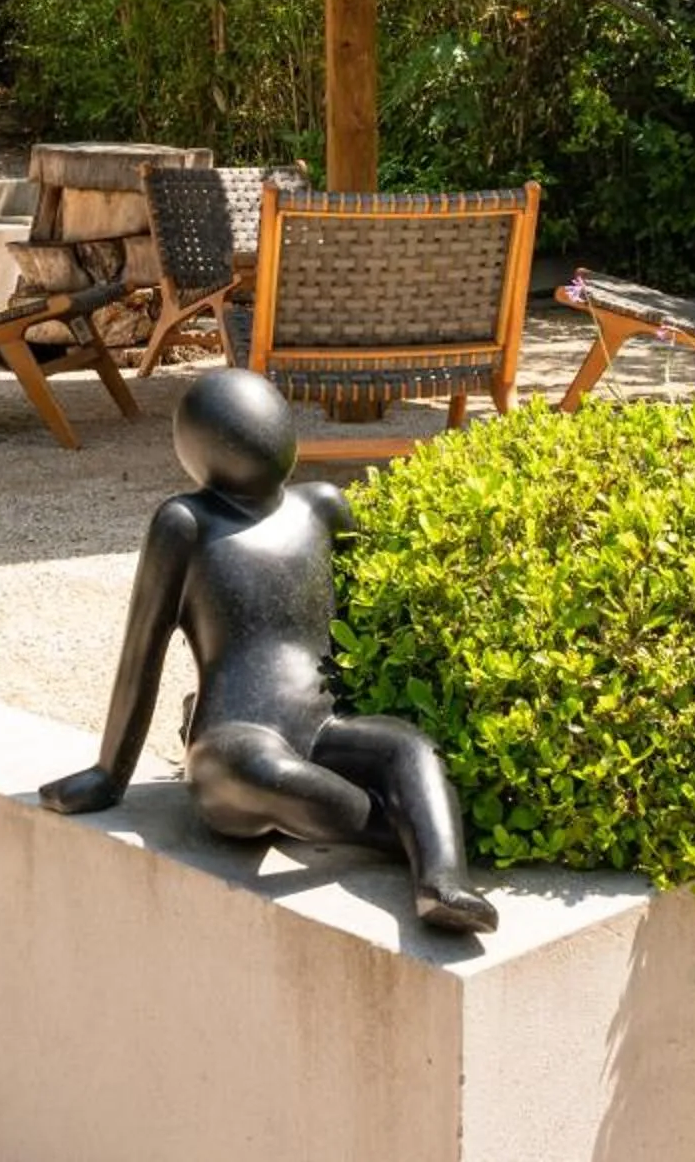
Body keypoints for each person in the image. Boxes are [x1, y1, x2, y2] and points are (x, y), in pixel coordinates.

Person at [39, 367, 498, 934]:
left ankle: (442, 880)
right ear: (199, 448)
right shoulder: (184, 524)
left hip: (326, 726)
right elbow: (143, 656)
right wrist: (109, 774)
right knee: (262, 770)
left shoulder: (322, 507)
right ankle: (394, 831)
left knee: (408, 748)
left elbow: (372, 618)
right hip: (235, 738)